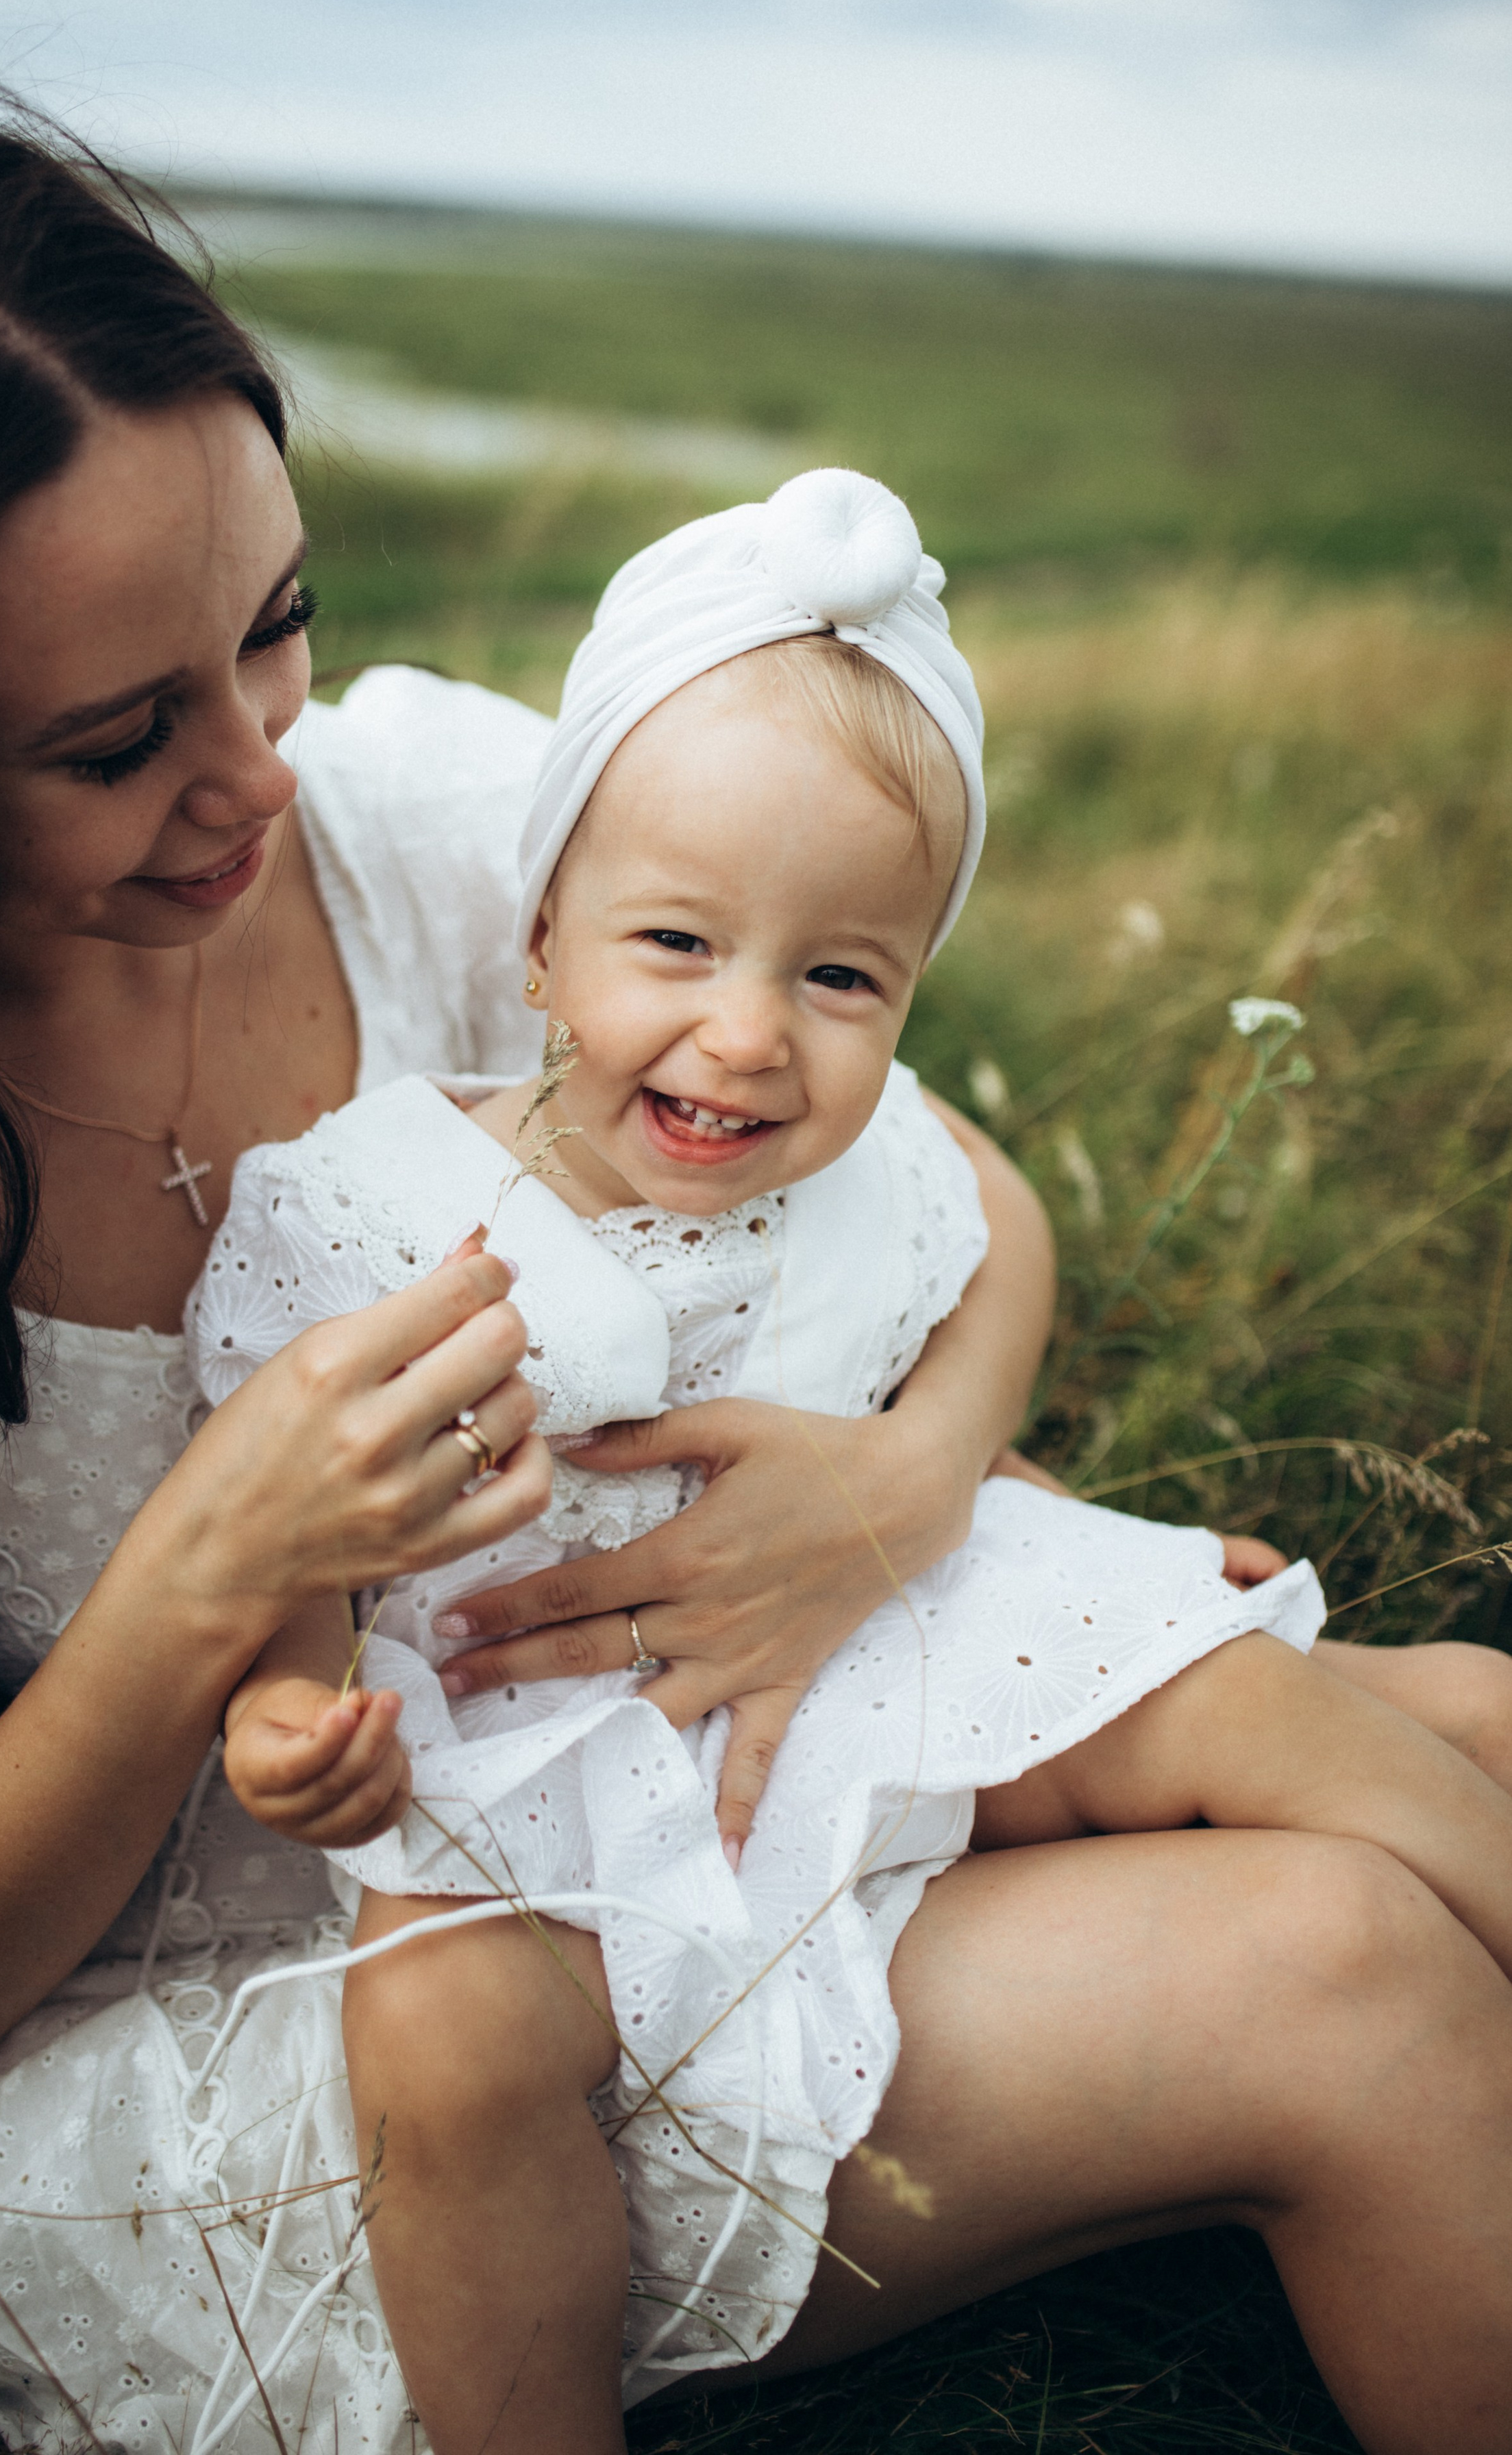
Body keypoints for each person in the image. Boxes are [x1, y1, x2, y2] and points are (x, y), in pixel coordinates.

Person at [0, 88, 1507, 2455]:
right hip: (290, 2033)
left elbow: (950, 1178)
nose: (259, 776)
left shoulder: (424, 823)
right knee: (1347, 1962)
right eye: (110, 739)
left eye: (273, 623)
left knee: (1468, 1728)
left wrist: (905, 1497)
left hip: (662, 1758)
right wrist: (212, 1581)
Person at [199, 470, 1512, 2453]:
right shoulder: (367, 1214)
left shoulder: (879, 1169)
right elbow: (286, 1576)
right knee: (441, 2022)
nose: (747, 1036)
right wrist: (296, 1731)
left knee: (1272, 1692)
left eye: (841, 980)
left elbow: (932, 1394)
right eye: (678, 944)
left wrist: (1076, 1551)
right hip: (538, 1777)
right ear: (541, 938)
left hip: (869, 1653)